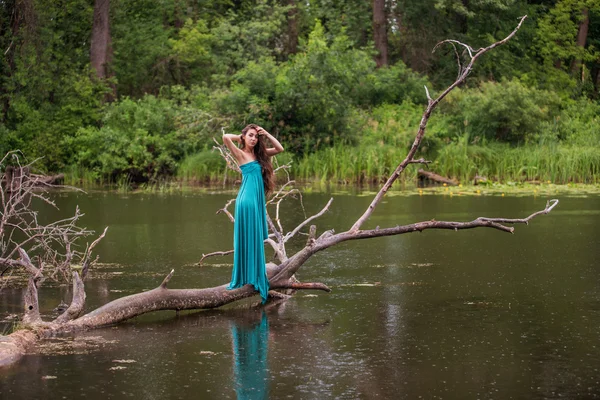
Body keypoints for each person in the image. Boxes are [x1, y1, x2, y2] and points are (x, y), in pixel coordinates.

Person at [222, 124, 284, 303]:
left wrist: (267, 133)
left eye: (256, 137)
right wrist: (241, 137)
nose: (253, 139)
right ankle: (251, 277)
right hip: (246, 201)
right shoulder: (240, 153)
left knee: (255, 238)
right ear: (244, 137)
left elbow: (280, 148)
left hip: (255, 202)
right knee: (251, 238)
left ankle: (254, 275)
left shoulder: (260, 155)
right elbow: (226, 138)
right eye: (250, 136)